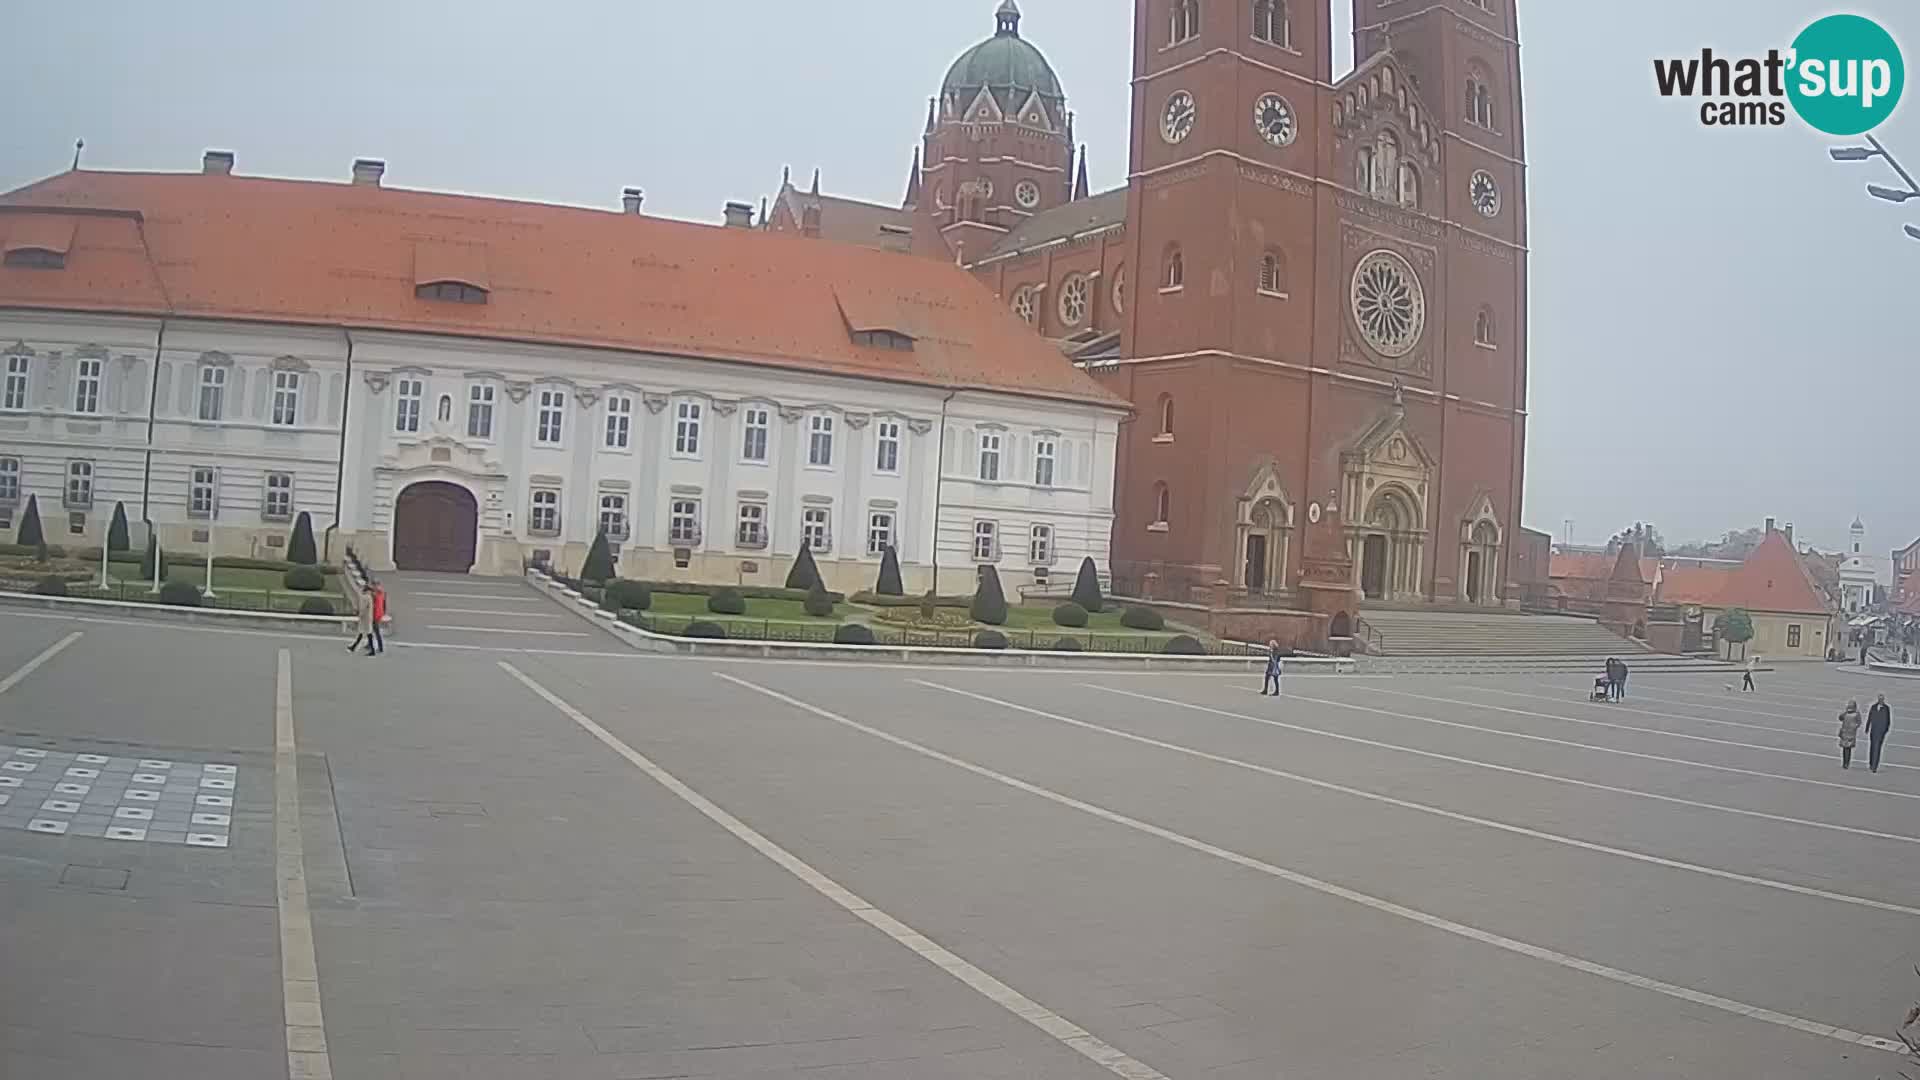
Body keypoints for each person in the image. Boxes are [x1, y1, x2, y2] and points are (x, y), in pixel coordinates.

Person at [1867, 694, 1892, 773]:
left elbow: (1888, 720)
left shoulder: (1886, 708)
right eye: (1879, 699)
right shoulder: (1873, 707)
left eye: (1882, 699)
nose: (1881, 700)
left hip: (1881, 732)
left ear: (1883, 700)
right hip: (1873, 730)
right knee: (1872, 747)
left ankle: (1874, 767)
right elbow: (1869, 717)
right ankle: (1871, 763)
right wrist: (1867, 727)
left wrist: (1885, 730)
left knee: (1877, 748)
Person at [348, 586, 375, 655]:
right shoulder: (369, 597)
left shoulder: (365, 597)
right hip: (368, 618)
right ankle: (353, 647)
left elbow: (363, 608)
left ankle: (372, 651)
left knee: (365, 633)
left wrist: (359, 615)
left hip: (365, 619)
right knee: (365, 633)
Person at [1838, 700, 1862, 770]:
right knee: (1844, 748)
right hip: (1844, 732)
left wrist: (1854, 726)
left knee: (1848, 748)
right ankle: (1844, 762)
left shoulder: (1856, 714)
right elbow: (1840, 718)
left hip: (1851, 733)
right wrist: (1845, 712)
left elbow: (1859, 722)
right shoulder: (1846, 713)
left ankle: (1847, 763)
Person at [366, 582, 388, 656]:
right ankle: (369, 644)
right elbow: (384, 604)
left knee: (376, 631)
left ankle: (380, 648)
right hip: (379, 614)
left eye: (374, 585)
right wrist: (383, 612)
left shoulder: (375, 595)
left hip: (375, 615)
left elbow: (373, 605)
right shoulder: (382, 593)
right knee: (371, 630)